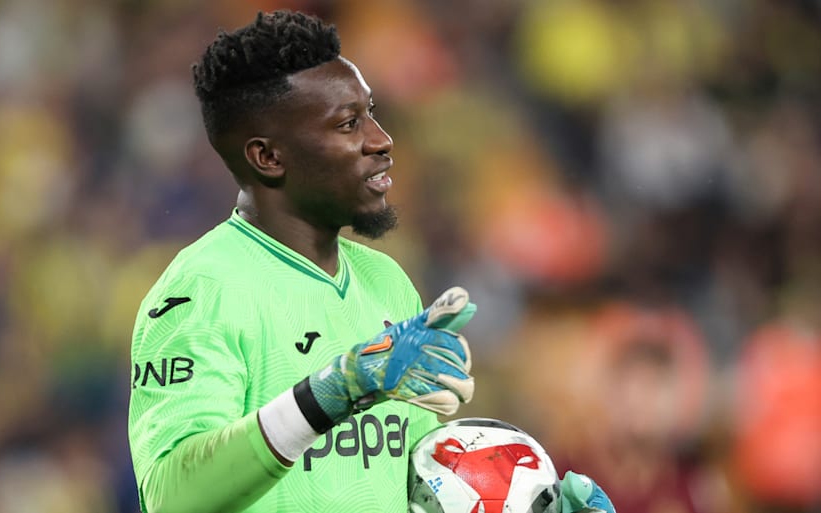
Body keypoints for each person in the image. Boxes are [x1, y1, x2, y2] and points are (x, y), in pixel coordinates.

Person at [127, 10, 614, 513]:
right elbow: (170, 496)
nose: (381, 140)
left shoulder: (386, 281)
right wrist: (331, 392)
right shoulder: (201, 290)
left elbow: (417, 494)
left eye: (371, 113)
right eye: (348, 124)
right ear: (268, 157)